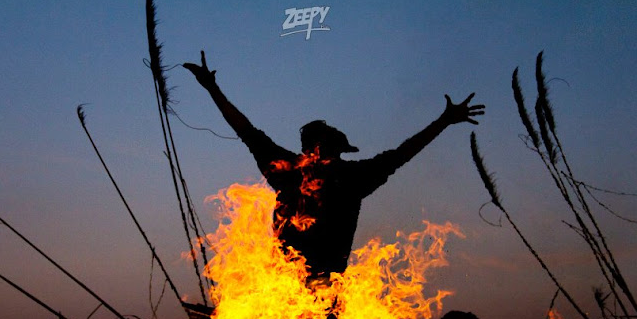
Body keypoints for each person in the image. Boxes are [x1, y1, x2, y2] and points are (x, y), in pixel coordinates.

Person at [184, 51, 484, 279]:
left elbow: (403, 153)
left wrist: (443, 121)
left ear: (337, 153)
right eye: (314, 149)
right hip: (280, 287)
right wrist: (212, 89)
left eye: (325, 150)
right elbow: (247, 131)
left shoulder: (353, 177)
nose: (318, 156)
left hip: (325, 288)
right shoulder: (289, 170)